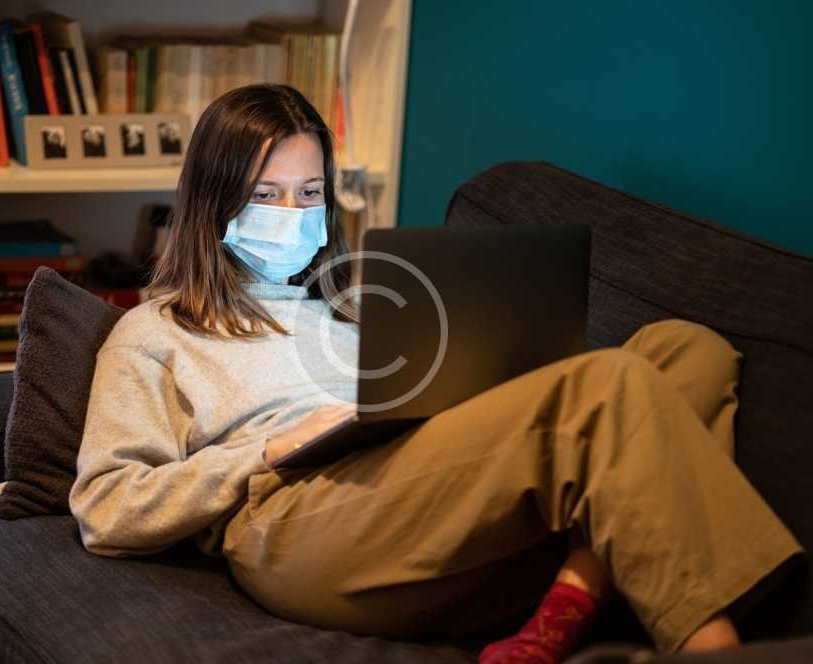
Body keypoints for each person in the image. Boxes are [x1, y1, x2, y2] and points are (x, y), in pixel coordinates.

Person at [68, 84, 803, 664]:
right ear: (212, 199)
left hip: (421, 491)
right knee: (606, 385)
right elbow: (105, 507)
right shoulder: (157, 331)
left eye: (310, 192)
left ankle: (567, 604)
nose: (292, 213)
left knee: (685, 348)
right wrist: (266, 449)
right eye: (265, 194)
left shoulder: (361, 308)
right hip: (295, 521)